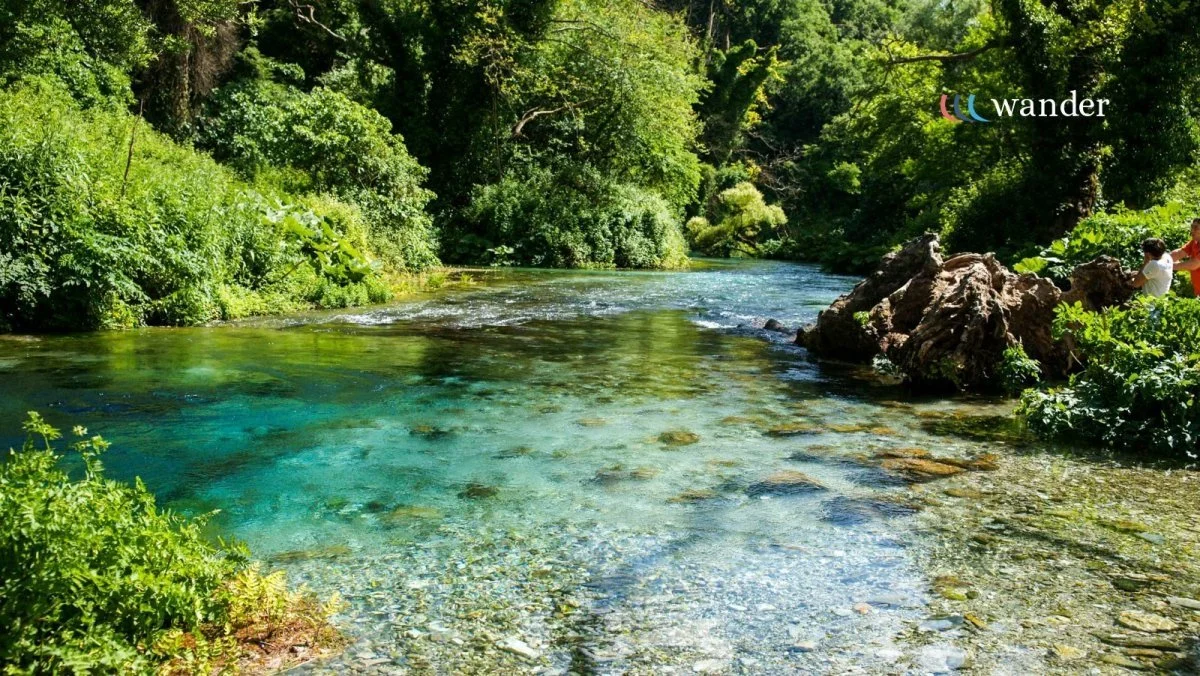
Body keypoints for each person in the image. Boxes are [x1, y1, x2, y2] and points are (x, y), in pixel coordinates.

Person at [1171, 218, 1200, 297]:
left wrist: (1168, 265)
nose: (1192, 230)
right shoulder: (1195, 242)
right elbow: (1179, 253)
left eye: (1196, 228)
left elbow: (1194, 264)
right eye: (1192, 227)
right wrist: (1160, 259)